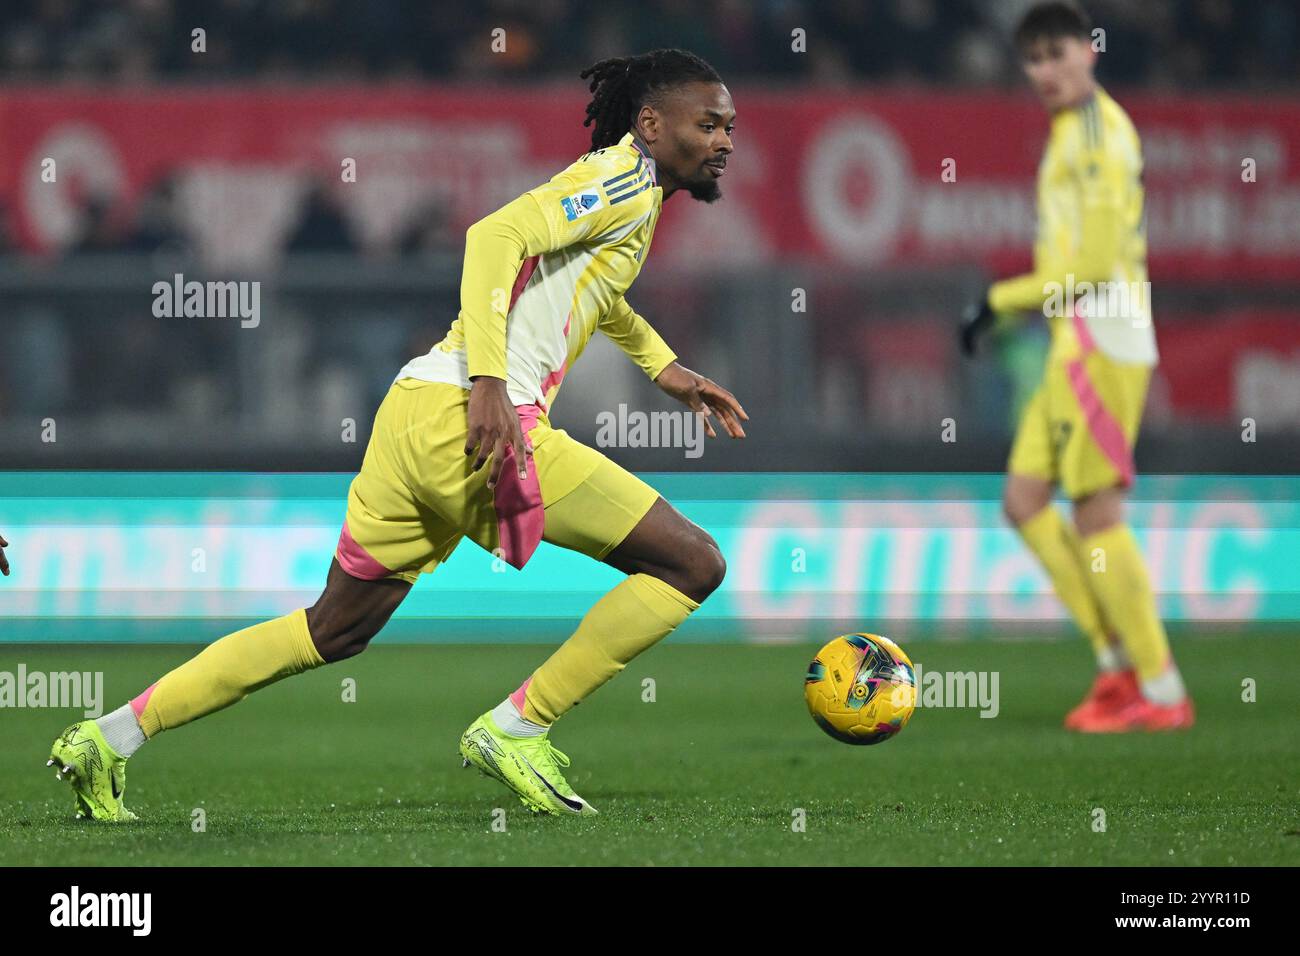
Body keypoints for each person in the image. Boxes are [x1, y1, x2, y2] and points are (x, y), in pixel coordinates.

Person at [48, 48, 747, 820]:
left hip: (414, 408)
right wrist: (490, 383)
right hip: (479, 420)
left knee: (331, 629)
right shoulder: (620, 180)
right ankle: (519, 726)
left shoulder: (632, 197)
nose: (724, 140)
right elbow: (493, 237)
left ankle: (107, 738)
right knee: (693, 563)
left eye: (730, 126)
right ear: (651, 124)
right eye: (708, 123)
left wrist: (663, 366)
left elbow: (589, 288)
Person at [958, 2, 1192, 732]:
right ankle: (1115, 663)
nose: (1047, 72)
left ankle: (1160, 689)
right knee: (1025, 500)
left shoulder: (1097, 136)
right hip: (1073, 341)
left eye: (1058, 54)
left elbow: (1090, 266)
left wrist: (1001, 299)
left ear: (1090, 50)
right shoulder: (1068, 131)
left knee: (1096, 515)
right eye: (1033, 60)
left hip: (1104, 337)